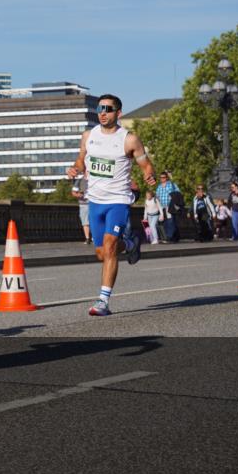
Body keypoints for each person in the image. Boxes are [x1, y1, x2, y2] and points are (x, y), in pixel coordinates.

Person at [67, 94, 156, 317]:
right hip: (94, 201)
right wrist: (75, 168)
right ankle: (131, 242)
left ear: (119, 113)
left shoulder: (129, 139)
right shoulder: (89, 135)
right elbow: (81, 159)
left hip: (118, 200)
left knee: (109, 247)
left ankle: (103, 300)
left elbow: (146, 164)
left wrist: (148, 175)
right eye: (100, 108)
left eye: (108, 108)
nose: (103, 112)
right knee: (101, 253)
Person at [155, 172, 180, 243]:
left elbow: (178, 193)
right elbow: (157, 195)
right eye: (161, 177)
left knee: (170, 222)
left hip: (170, 206)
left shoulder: (171, 184)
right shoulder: (159, 186)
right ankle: (174, 237)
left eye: (164, 177)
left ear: (166, 178)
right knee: (166, 222)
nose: (162, 179)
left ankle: (169, 237)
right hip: (162, 207)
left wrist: (175, 202)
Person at [71, 174, 92, 244]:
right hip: (84, 203)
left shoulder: (95, 179)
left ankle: (94, 237)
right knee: (85, 221)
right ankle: (87, 238)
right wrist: (78, 195)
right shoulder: (79, 180)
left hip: (94, 203)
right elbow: (73, 192)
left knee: (95, 220)